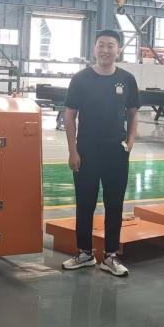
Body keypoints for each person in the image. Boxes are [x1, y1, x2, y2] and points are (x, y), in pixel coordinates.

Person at [62, 30, 139, 278]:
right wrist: (73, 150)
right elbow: (70, 116)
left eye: (110, 45)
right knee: (85, 203)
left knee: (114, 204)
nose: (105, 50)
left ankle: (110, 255)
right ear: (94, 48)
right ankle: (85, 253)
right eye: (101, 45)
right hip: (87, 151)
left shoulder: (127, 79)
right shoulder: (81, 79)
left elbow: (133, 113)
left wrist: (130, 141)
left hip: (116, 152)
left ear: (118, 50)